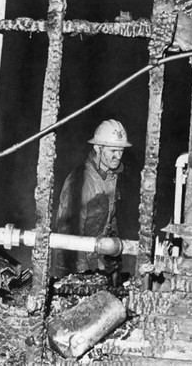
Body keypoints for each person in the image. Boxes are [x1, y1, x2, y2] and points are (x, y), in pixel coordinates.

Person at [52, 119, 132, 277]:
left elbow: (110, 218)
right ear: (97, 148)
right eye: (112, 151)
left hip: (98, 256)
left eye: (121, 151)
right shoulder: (81, 180)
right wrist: (82, 272)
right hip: (74, 259)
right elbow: (68, 230)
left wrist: (114, 256)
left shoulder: (111, 177)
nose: (118, 156)